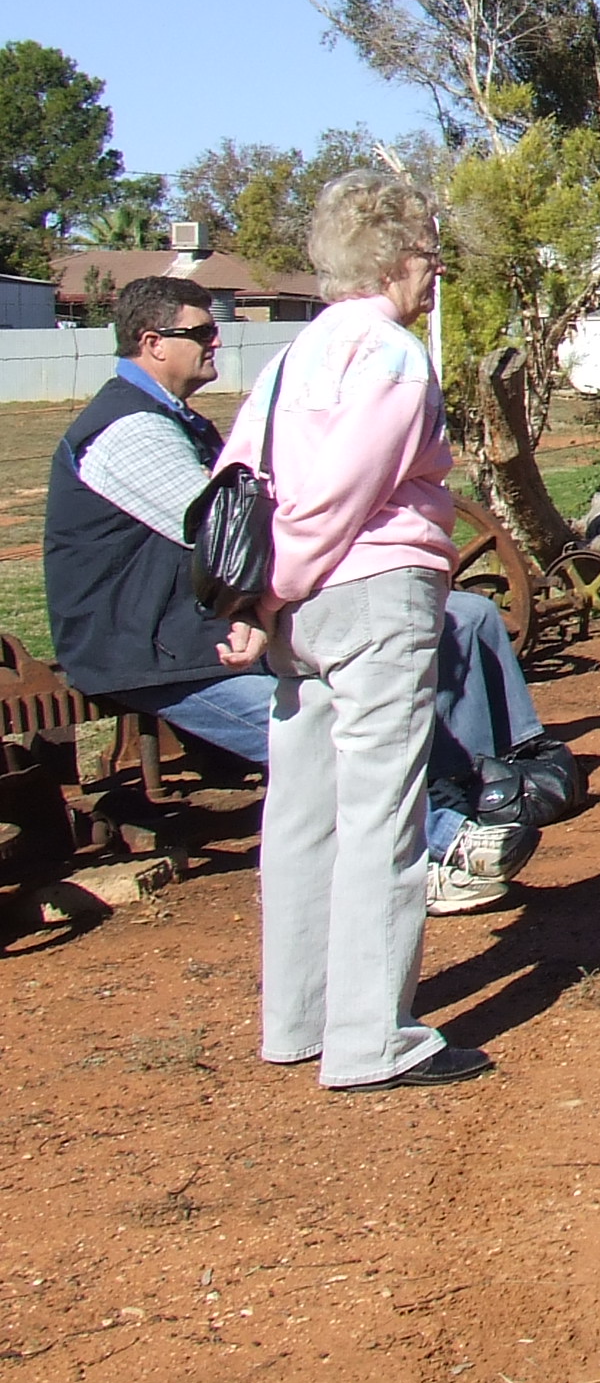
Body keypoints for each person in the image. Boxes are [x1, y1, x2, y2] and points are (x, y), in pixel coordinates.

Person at [41, 273, 548, 917]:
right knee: (325, 738)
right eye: (198, 332)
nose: (215, 341)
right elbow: (223, 539)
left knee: (376, 694)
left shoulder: (176, 421)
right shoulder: (126, 432)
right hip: (151, 651)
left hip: (197, 632)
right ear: (151, 342)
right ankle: (437, 854)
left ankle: (452, 812)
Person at [217, 170, 488, 1092]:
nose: (435, 274)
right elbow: (344, 489)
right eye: (428, 256)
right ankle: (373, 1039)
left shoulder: (291, 360)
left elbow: (239, 476)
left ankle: (297, 1019)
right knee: (381, 809)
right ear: (395, 257)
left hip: (300, 608)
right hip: (372, 592)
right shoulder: (392, 356)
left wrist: (258, 597)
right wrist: (279, 583)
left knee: (300, 810)